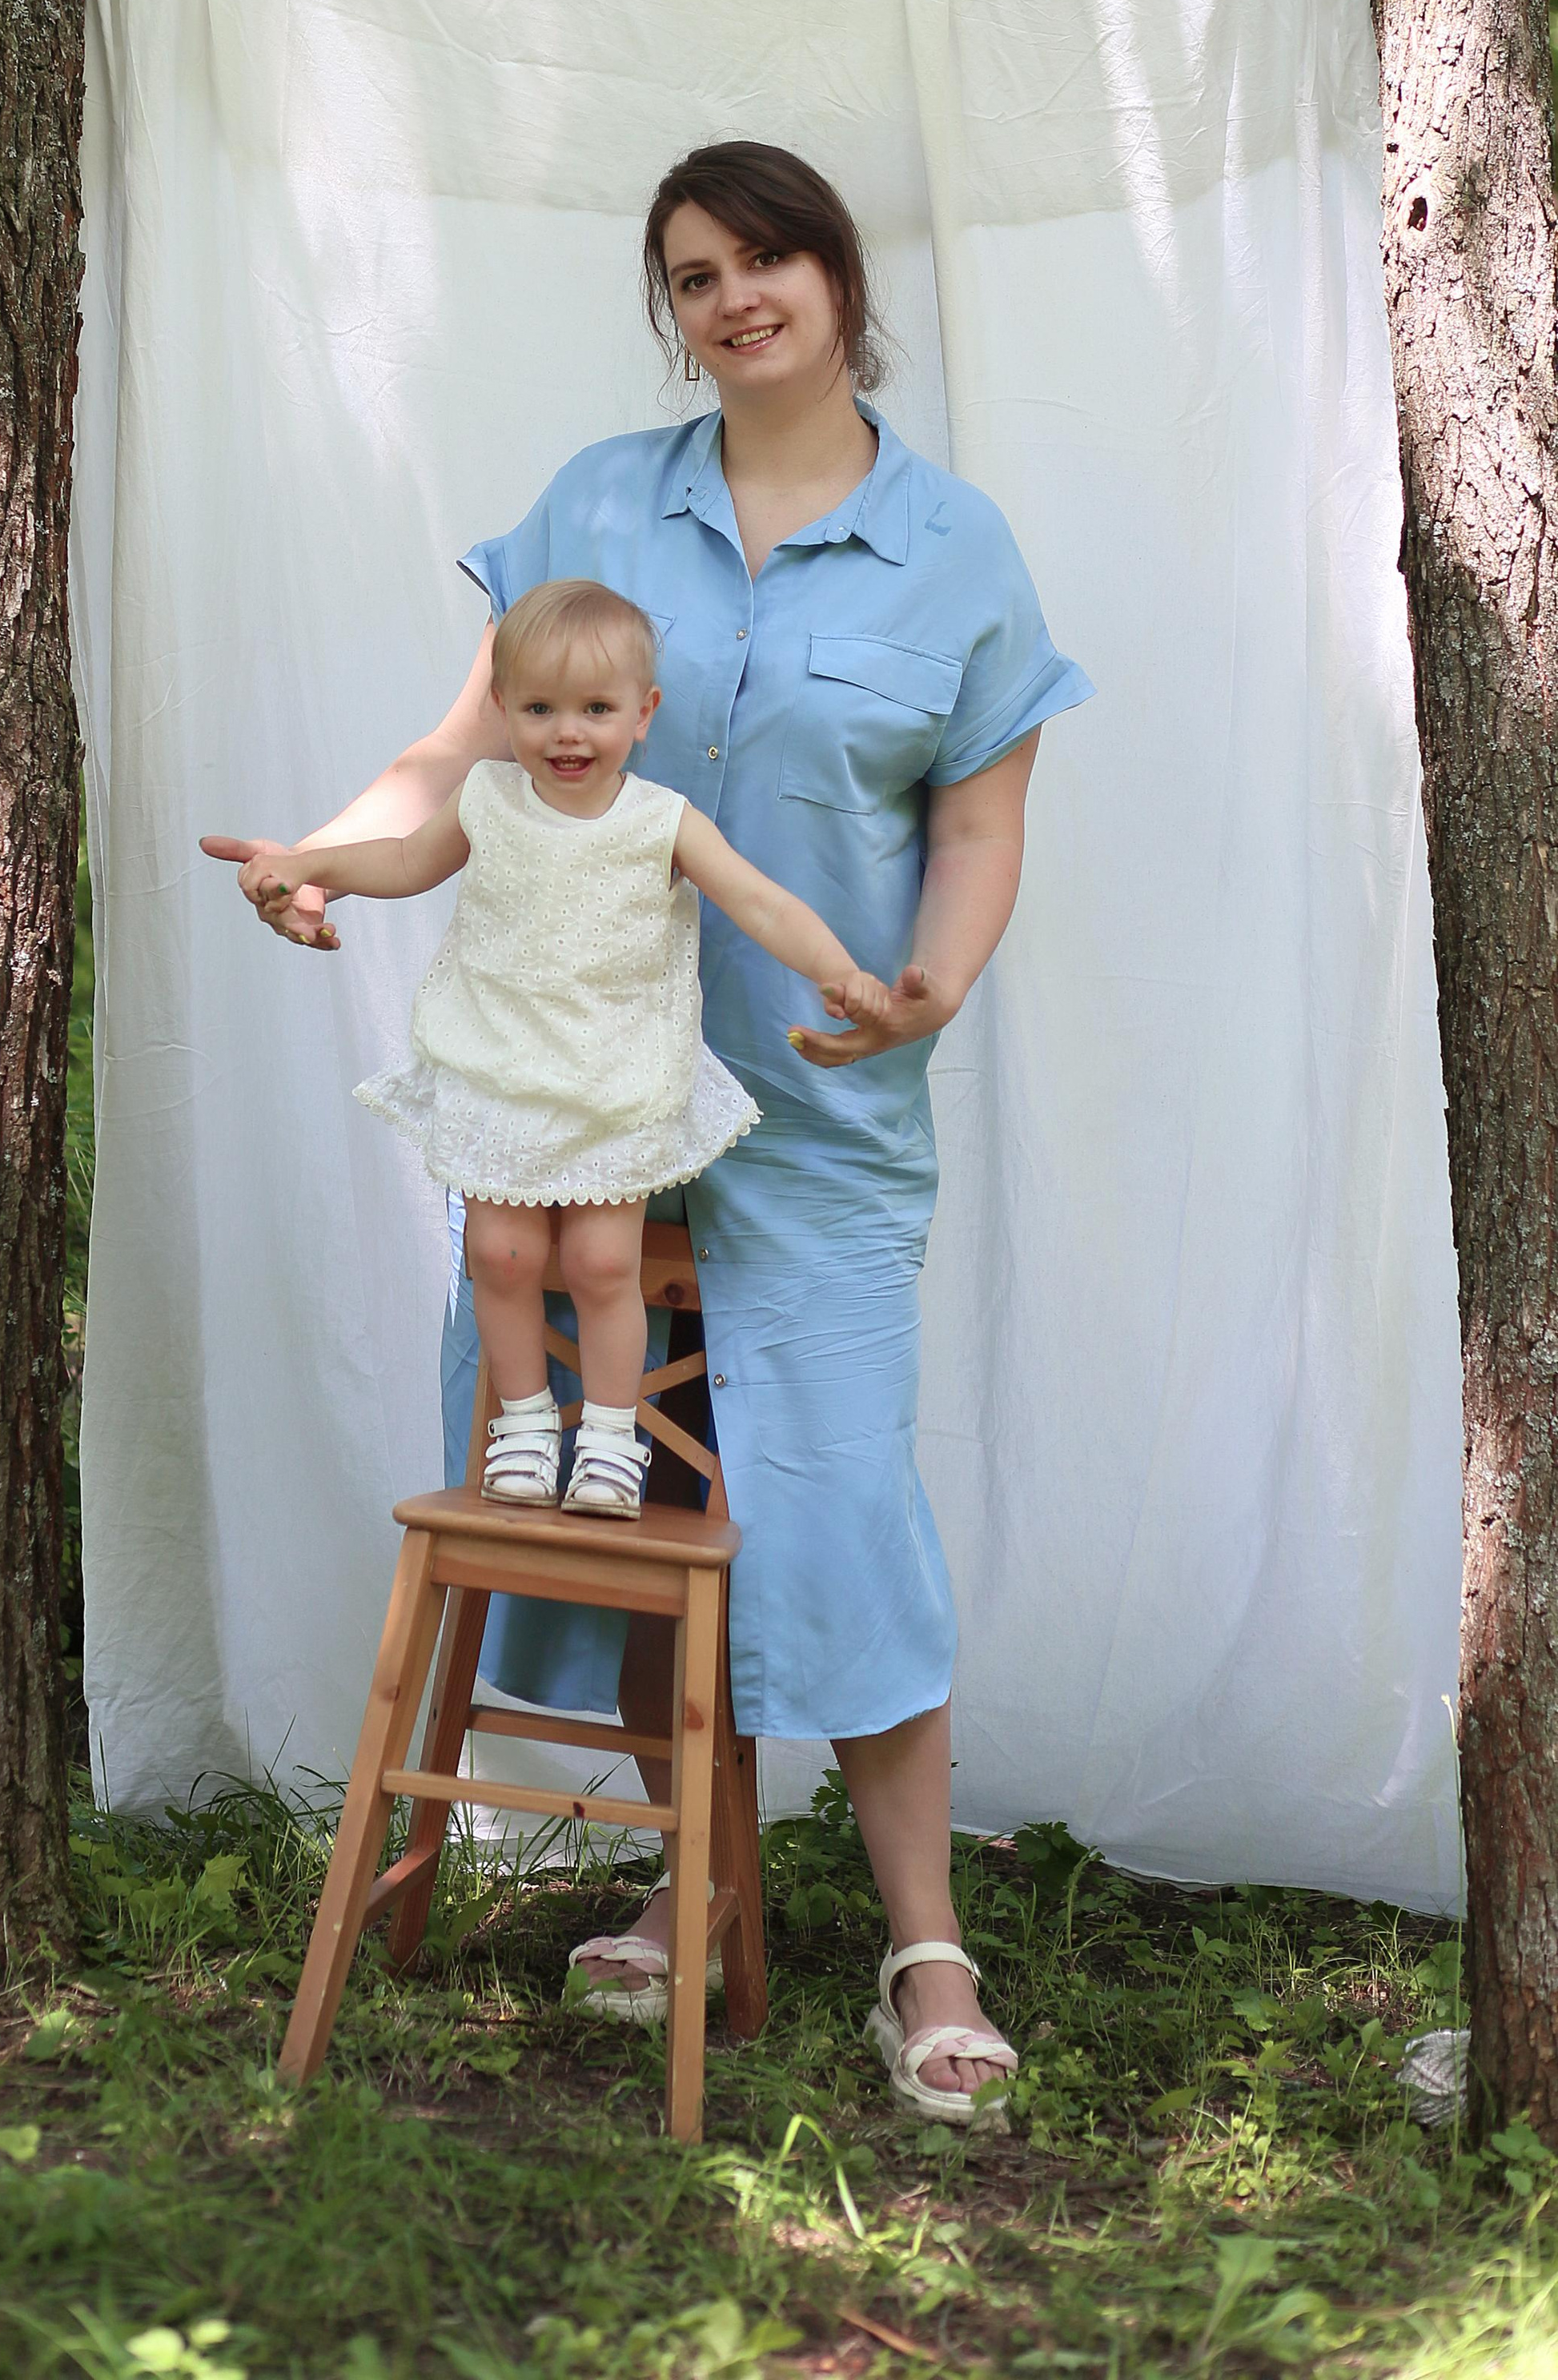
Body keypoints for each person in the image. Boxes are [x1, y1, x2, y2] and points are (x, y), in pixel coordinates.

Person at [204, 138, 1091, 2123]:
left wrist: (930, 983)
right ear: (669, 312)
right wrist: (320, 855)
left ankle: (923, 1947)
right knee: (613, 1500)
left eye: (766, 259)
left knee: (837, 1504)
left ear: (838, 280)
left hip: (817, 1113)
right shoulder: (598, 503)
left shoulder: (957, 549)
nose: (733, 297)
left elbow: (976, 822)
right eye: (693, 274)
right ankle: (690, 1882)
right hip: (560, 1113)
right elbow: (454, 758)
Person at [237, 576, 889, 1517]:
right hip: (499, 1062)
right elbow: (404, 860)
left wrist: (838, 973)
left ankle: (613, 1438)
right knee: (500, 1255)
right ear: (503, 709)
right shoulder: (488, 797)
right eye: (539, 709)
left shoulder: (660, 821)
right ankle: (526, 1423)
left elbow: (758, 901)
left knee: (599, 1264)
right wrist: (306, 865)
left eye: (595, 709)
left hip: (614, 1077)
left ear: (643, 713)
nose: (566, 733)